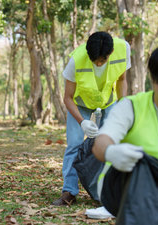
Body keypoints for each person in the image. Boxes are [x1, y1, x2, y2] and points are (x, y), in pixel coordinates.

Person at [92, 43, 158, 200]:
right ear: (153, 80)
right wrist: (110, 152)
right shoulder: (130, 107)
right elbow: (101, 143)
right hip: (126, 192)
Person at [52, 31, 131, 206]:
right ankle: (69, 191)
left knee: (109, 144)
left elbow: (122, 79)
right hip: (80, 103)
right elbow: (67, 97)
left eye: (102, 60)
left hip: (108, 101)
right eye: (95, 60)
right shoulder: (76, 61)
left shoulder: (123, 49)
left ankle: (106, 191)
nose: (98, 64)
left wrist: (122, 104)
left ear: (109, 54)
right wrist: (82, 121)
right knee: (74, 144)